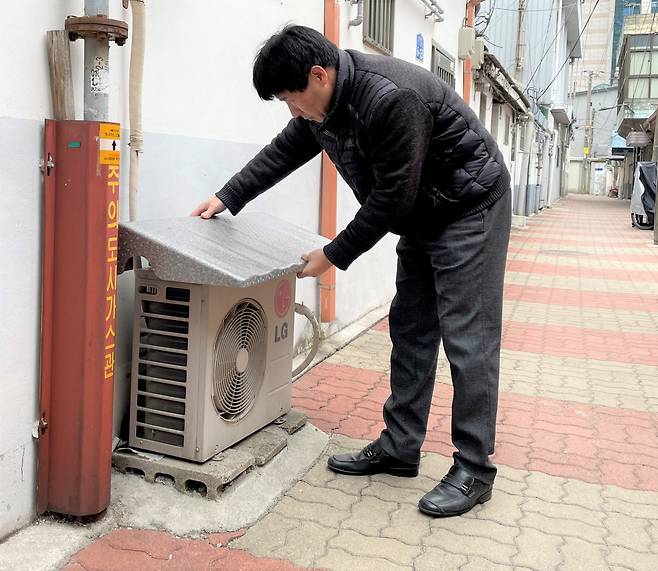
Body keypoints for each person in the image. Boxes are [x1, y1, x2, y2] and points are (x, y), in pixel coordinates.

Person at [192, 25, 511, 518]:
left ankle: (474, 469)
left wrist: (333, 255)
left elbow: (392, 197)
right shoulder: (324, 105)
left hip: (470, 208)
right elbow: (284, 151)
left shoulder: (391, 99)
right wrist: (227, 197)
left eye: (291, 99)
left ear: (319, 75)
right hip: (425, 214)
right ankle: (401, 447)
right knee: (410, 330)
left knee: (468, 339)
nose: (292, 111)